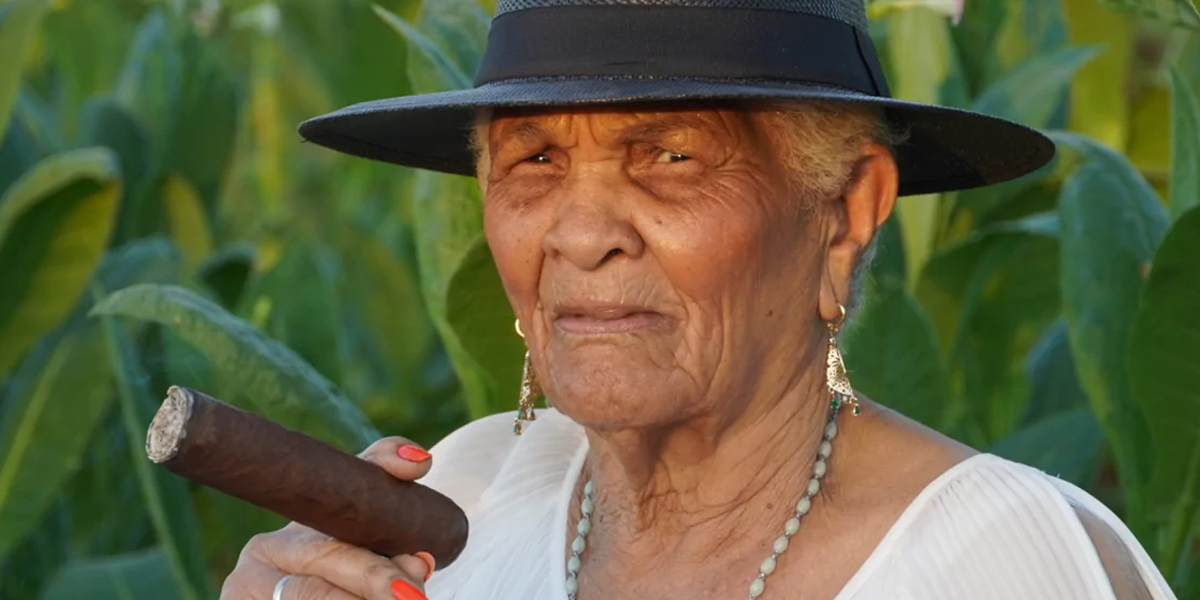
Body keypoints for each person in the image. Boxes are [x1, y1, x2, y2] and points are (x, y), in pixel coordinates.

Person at [219, 1, 1178, 599]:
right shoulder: (458, 505)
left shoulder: (1000, 566)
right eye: (534, 160)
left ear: (844, 212)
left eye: (671, 157)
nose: (580, 232)